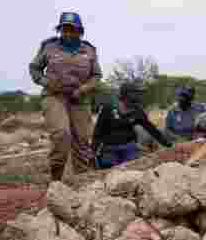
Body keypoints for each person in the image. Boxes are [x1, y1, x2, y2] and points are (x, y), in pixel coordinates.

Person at [28, 12, 102, 181]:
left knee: (82, 141)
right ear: (60, 30)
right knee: (62, 135)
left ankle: (82, 182)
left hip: (79, 98)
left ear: (80, 31)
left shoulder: (89, 50)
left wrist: (83, 89)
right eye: (64, 29)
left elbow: (97, 76)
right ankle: (56, 180)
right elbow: (34, 69)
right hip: (54, 96)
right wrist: (46, 82)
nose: (68, 33)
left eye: (72, 30)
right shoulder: (49, 47)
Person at [93, 82, 171, 169]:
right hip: (109, 148)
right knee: (109, 169)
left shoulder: (138, 111)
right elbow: (97, 131)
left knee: (132, 169)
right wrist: (95, 151)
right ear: (127, 95)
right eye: (136, 93)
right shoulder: (108, 109)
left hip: (129, 148)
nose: (139, 96)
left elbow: (152, 129)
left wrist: (168, 145)